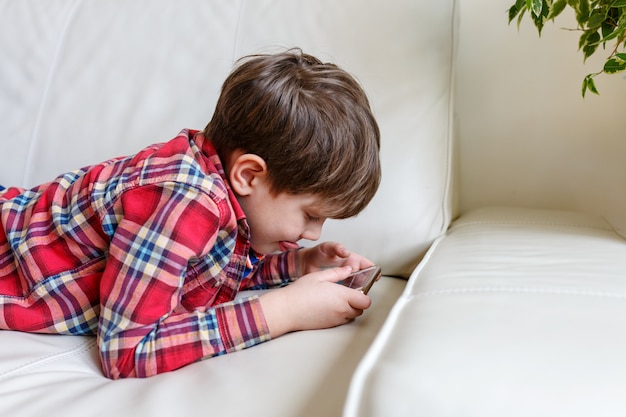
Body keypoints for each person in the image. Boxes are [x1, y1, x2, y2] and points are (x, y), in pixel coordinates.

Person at [0, 49, 381, 379]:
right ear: (248, 174)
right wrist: (282, 311)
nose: (313, 233)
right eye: (311, 215)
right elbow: (128, 351)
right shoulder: (183, 201)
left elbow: (201, 276)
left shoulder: (219, 189)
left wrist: (296, 266)